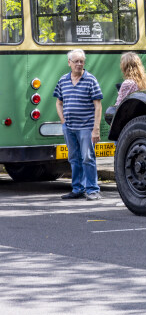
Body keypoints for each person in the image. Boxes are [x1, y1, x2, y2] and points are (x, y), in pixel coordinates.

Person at [54, 49, 103, 201]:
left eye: (81, 61)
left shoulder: (91, 80)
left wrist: (96, 128)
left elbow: (98, 106)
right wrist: (63, 121)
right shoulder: (63, 80)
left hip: (86, 127)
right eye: (76, 61)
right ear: (69, 63)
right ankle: (77, 189)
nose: (79, 64)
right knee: (74, 158)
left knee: (88, 158)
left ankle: (93, 190)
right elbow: (58, 102)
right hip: (69, 127)